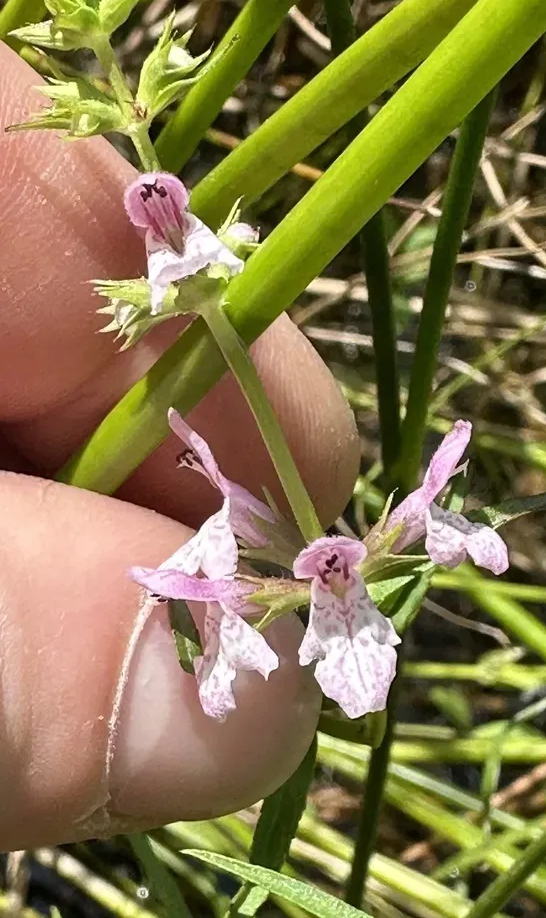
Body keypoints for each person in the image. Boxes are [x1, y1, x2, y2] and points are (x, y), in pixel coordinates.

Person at [0, 42, 359, 851]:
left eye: (163, 200)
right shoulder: (153, 239)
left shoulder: (186, 228)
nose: (157, 203)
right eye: (151, 202)